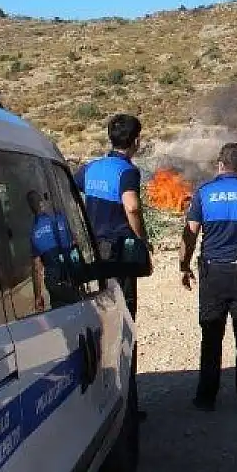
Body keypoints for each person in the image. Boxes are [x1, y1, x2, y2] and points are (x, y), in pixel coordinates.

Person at [75, 113, 151, 420]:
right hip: (120, 257)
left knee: (94, 322)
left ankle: (92, 401)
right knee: (122, 325)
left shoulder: (90, 168)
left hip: (93, 257)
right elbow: (131, 206)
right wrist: (143, 240)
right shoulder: (127, 171)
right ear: (135, 141)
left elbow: (73, 193)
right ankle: (126, 406)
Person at [180, 143, 237, 414]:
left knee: (211, 336)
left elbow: (190, 234)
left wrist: (183, 265)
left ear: (220, 164)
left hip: (213, 272)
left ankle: (206, 398)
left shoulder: (204, 193)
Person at [27, 190, 79, 311]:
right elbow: (74, 243)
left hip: (55, 286)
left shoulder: (34, 233)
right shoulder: (60, 219)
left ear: (31, 208)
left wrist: (38, 296)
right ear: (42, 203)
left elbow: (37, 268)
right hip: (73, 278)